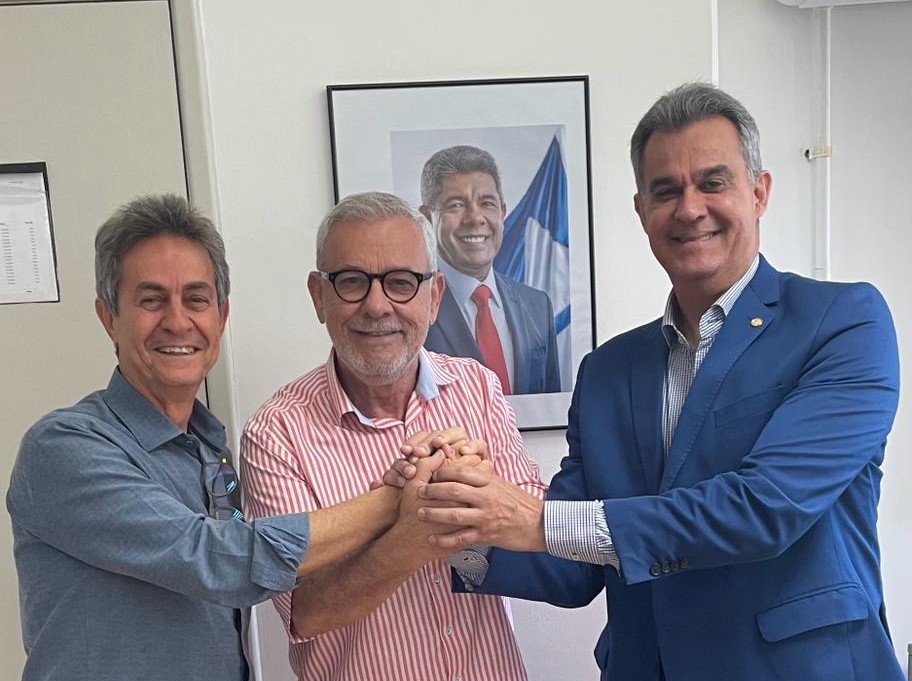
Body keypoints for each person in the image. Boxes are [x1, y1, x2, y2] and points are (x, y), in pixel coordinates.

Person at [410, 84, 903, 681]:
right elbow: (573, 567)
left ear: (759, 192)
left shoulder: (842, 322)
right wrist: (462, 515)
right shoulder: (606, 371)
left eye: (713, 182)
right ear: (642, 210)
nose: (690, 209)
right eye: (666, 191)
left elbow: (765, 508)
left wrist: (533, 519)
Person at [6, 194, 425, 681]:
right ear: (109, 318)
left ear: (221, 317)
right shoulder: (63, 447)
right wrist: (396, 499)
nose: (177, 321)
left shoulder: (212, 453)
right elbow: (221, 560)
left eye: (196, 299)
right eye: (151, 300)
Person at [241, 191, 547, 681]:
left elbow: (540, 530)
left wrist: (475, 490)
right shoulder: (275, 432)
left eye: (402, 282)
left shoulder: (478, 388)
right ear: (318, 295)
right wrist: (410, 530)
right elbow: (306, 612)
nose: (377, 305)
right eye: (351, 281)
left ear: (435, 296)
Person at [420, 145, 561, 394]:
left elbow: (550, 405)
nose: (475, 218)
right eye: (456, 205)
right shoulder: (414, 307)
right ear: (427, 217)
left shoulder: (537, 306)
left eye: (487, 203)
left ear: (502, 212)